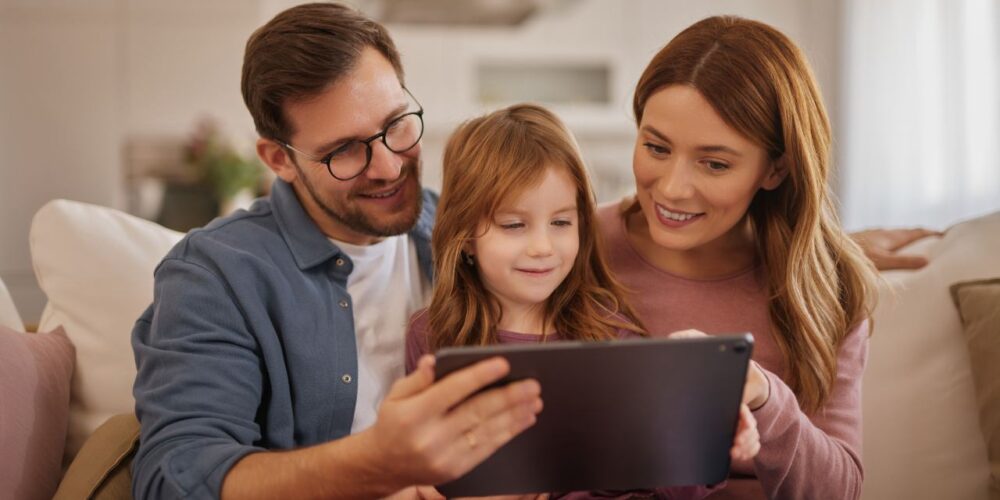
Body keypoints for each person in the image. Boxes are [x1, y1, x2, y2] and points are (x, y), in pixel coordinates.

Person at [131, 4, 543, 499]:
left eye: (397, 124)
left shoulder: (471, 232)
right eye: (345, 149)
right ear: (280, 159)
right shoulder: (215, 274)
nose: (389, 167)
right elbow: (173, 479)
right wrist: (373, 463)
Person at [405, 103, 760, 499]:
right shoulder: (433, 336)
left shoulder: (611, 334)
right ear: (466, 234)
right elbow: (421, 464)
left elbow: (675, 487)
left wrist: (706, 438)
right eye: (513, 225)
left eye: (561, 223)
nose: (542, 247)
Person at [596, 16, 881, 499]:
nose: (671, 188)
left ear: (776, 169)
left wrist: (762, 396)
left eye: (714, 163)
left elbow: (839, 491)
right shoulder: (573, 248)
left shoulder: (826, 286)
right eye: (656, 147)